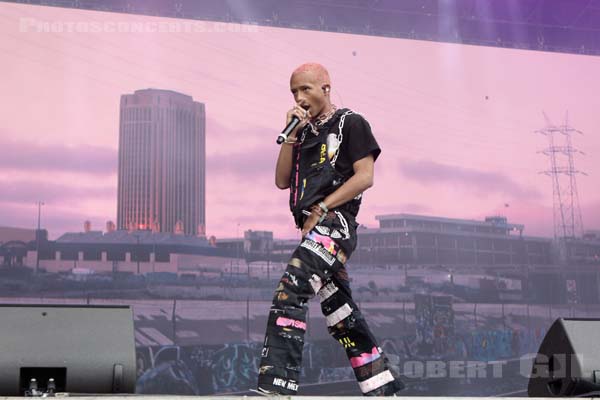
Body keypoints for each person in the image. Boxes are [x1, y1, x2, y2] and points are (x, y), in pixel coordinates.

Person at [257, 63, 405, 396]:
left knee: (291, 290)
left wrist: (323, 207)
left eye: (306, 89)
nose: (299, 97)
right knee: (341, 314)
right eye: (294, 91)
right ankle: (383, 389)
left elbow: (364, 176)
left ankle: (275, 388)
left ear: (326, 88)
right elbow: (282, 181)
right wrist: (291, 137)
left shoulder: (351, 122)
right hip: (310, 230)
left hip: (333, 225)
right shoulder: (304, 132)